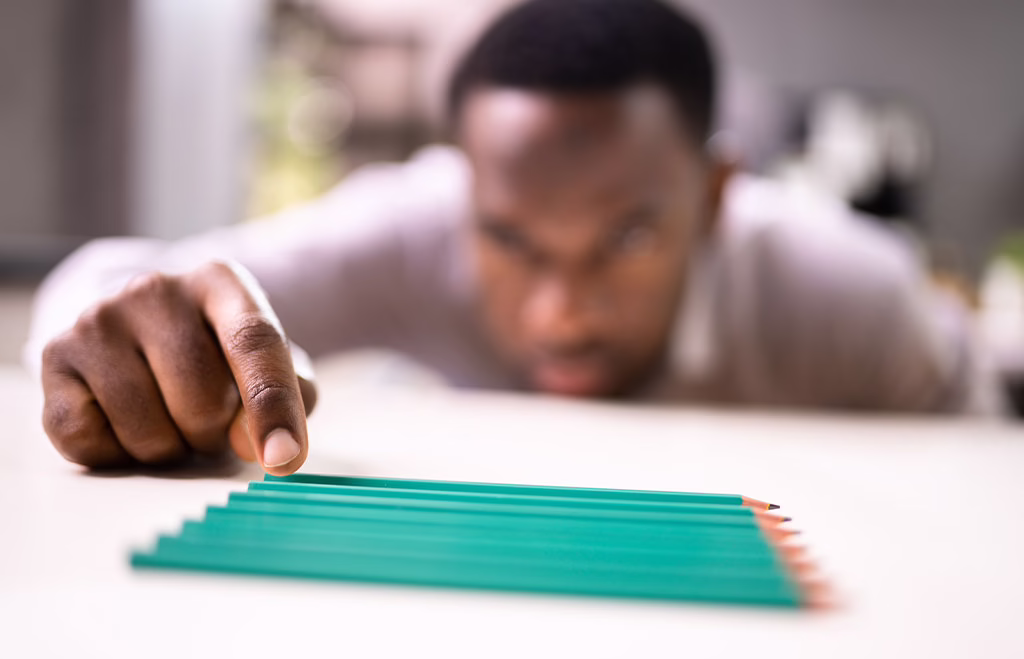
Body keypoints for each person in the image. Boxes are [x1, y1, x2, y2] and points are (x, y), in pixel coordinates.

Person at [26, 0, 996, 476]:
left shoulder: (848, 294)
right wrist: (118, 335)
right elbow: (116, 281)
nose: (559, 311)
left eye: (623, 239)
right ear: (466, 187)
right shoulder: (416, 220)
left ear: (713, 196)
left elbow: (985, 471)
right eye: (512, 240)